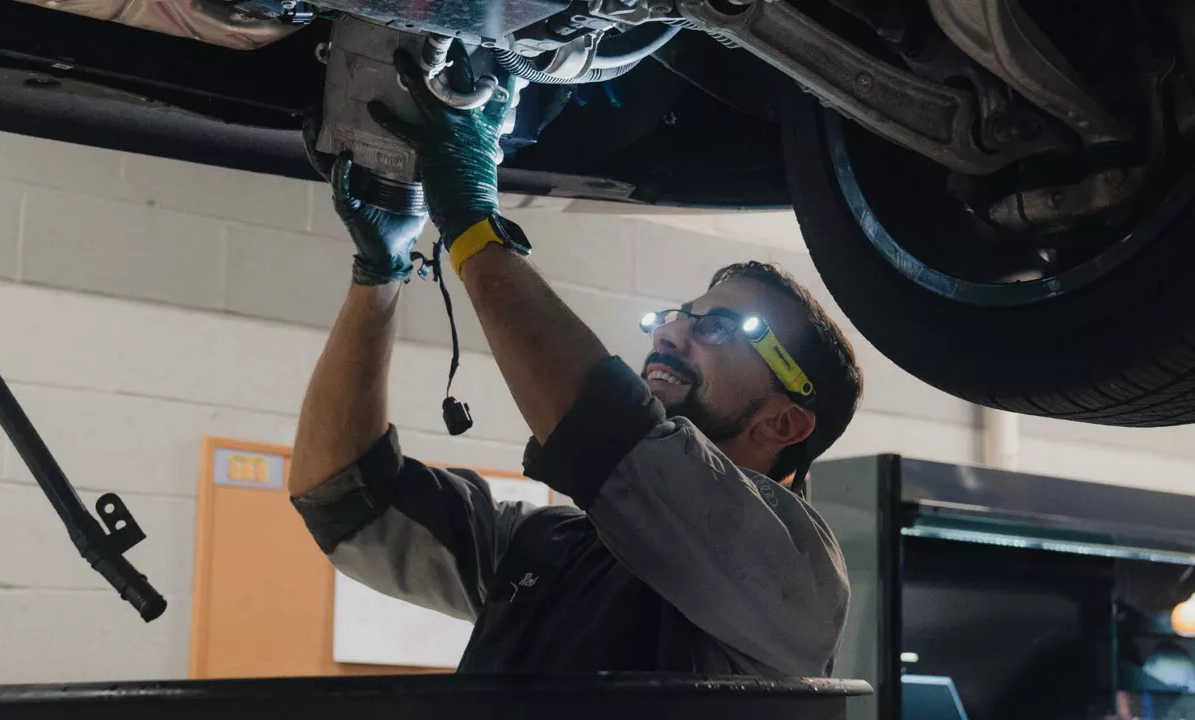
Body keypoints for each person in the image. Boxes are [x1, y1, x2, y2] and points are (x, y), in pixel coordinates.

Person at [288, 47, 863, 677]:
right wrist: (380, 276)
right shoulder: (551, 548)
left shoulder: (799, 575)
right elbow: (346, 501)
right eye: (675, 314)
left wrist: (474, 224)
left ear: (785, 424)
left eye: (723, 328)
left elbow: (607, 436)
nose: (671, 331)